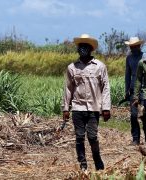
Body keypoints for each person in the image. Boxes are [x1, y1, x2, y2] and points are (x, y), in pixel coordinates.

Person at [61, 34, 111, 171]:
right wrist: (66, 109)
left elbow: (106, 87)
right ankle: (83, 164)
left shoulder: (100, 67)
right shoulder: (72, 67)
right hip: (78, 107)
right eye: (80, 47)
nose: (82, 49)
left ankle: (97, 159)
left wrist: (106, 108)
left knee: (93, 136)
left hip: (94, 108)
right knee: (79, 137)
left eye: (85, 47)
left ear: (90, 49)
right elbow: (68, 89)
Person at [124, 37, 146, 145]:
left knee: (144, 115)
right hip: (133, 90)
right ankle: (135, 138)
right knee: (133, 115)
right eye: (131, 46)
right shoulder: (129, 58)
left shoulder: (145, 57)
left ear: (139, 46)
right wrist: (126, 89)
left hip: (145, 89)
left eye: (134, 46)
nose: (132, 48)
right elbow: (127, 75)